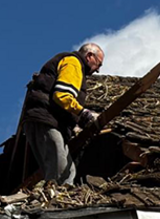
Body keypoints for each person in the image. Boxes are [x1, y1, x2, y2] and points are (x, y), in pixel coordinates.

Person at [20, 42, 104, 185]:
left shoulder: (71, 63)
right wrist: (83, 112)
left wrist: (75, 121)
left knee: (68, 171)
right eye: (98, 64)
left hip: (47, 120)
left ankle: (60, 197)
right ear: (89, 56)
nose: (97, 70)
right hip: (46, 119)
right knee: (58, 171)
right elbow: (62, 96)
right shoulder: (73, 63)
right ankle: (54, 202)